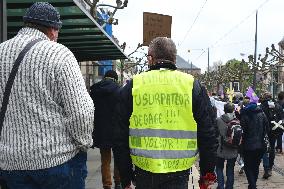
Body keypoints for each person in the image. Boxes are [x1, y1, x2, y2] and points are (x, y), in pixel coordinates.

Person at [0, 2, 94, 189]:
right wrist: (84, 142)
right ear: (53, 29)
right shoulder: (59, 53)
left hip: (10, 163)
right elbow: (81, 112)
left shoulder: (1, 51)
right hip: (57, 162)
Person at [113, 37, 218, 189]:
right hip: (179, 172)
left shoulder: (133, 86)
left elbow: (119, 137)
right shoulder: (192, 86)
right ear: (174, 59)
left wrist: (126, 177)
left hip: (144, 171)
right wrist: (207, 174)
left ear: (150, 58)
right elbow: (208, 134)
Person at [90, 70, 122, 189]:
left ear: (104, 78)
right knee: (118, 159)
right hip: (116, 131)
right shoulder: (119, 91)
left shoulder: (95, 91)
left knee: (105, 161)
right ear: (115, 79)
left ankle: (107, 185)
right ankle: (118, 183)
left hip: (101, 131)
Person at [240, 97, 269, 189]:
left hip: (248, 145)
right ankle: (253, 184)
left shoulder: (245, 115)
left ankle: (252, 185)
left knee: (248, 166)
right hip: (260, 145)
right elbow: (267, 128)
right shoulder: (262, 114)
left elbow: (242, 131)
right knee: (256, 166)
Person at [216, 103, 238, 189]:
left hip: (220, 149)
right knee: (230, 170)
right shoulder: (236, 120)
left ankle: (221, 186)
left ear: (224, 110)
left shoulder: (218, 120)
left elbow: (215, 133)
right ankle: (229, 187)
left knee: (219, 168)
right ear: (233, 110)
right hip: (233, 148)